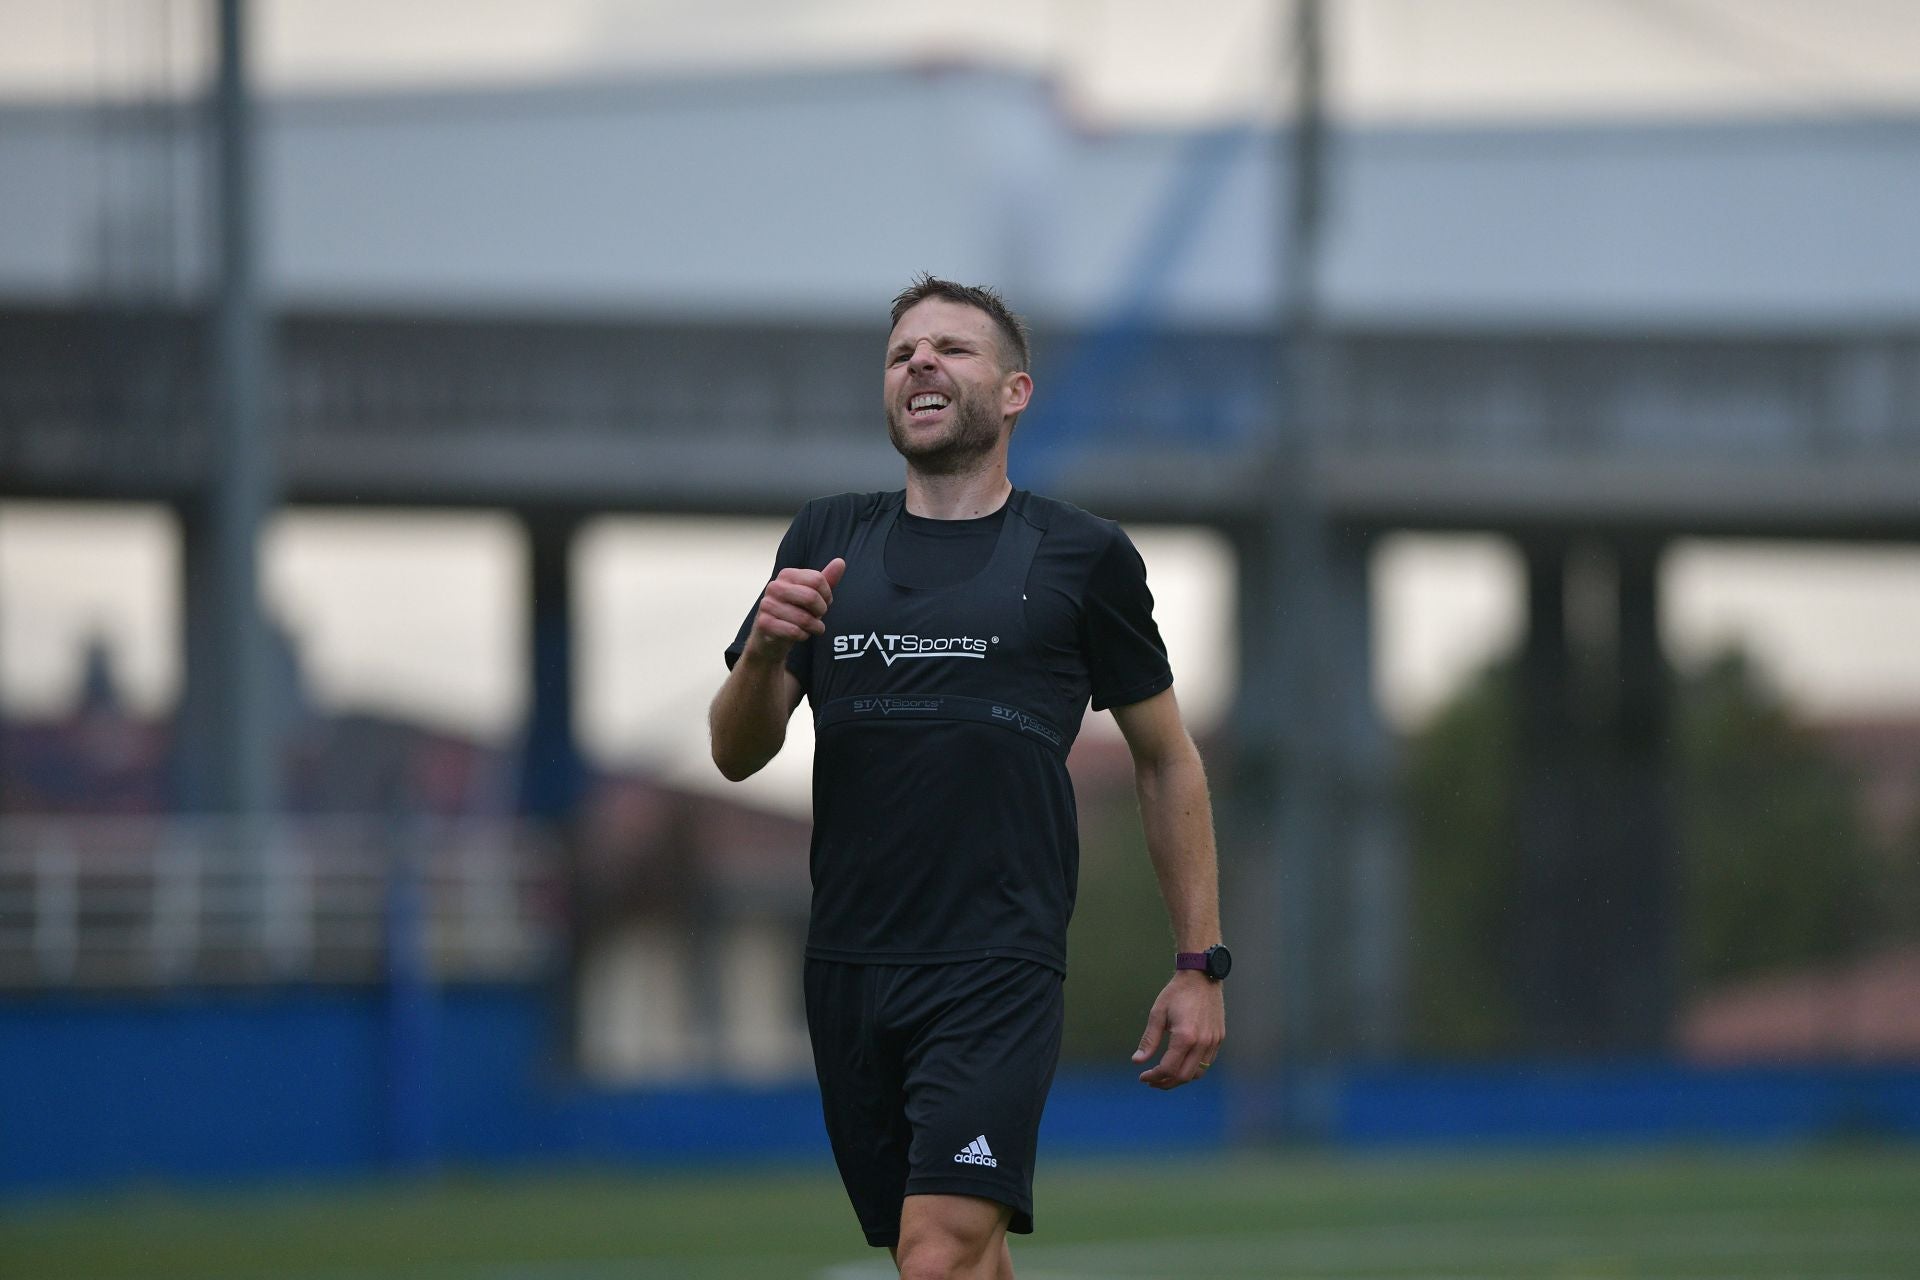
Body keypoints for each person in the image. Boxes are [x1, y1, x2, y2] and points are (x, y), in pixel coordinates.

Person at [710, 275, 1227, 1280]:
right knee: (962, 1257)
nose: (920, 363)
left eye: (951, 348)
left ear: (1015, 391)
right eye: (901, 354)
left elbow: (1168, 759)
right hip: (849, 965)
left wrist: (1199, 962)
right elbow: (737, 751)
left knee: (937, 1249)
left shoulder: (1083, 555)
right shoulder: (825, 539)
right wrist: (764, 652)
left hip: (996, 961)